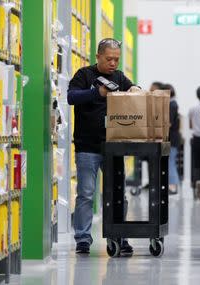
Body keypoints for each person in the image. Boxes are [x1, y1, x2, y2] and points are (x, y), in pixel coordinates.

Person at [67, 38, 140, 255]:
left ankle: (119, 235)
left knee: (117, 193)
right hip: (87, 146)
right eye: (109, 59)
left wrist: (135, 88)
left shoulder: (118, 77)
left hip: (114, 146)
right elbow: (71, 97)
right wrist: (95, 93)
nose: (113, 63)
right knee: (86, 194)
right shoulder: (84, 75)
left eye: (116, 59)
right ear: (98, 56)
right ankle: (82, 238)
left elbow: (133, 88)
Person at [188, 86, 200, 200]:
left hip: (196, 139)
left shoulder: (192, 109)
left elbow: (190, 126)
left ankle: (197, 181)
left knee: (196, 163)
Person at [164, 83, 182, 195]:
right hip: (174, 138)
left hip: (172, 139)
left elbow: (168, 123)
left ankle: (173, 186)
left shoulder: (172, 105)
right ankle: (173, 185)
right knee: (171, 162)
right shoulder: (174, 104)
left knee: (171, 162)